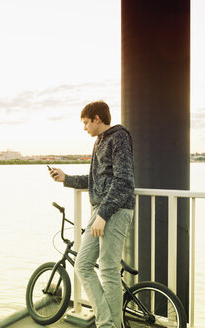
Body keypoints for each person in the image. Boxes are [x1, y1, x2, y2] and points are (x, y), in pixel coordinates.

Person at [50, 100, 135, 328]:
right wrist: (65, 178)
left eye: (86, 122)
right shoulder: (99, 142)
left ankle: (110, 325)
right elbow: (95, 181)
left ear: (97, 118)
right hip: (101, 211)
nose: (84, 127)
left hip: (114, 212)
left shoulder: (119, 137)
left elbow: (124, 181)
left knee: (107, 270)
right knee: (83, 264)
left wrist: (103, 215)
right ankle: (106, 322)